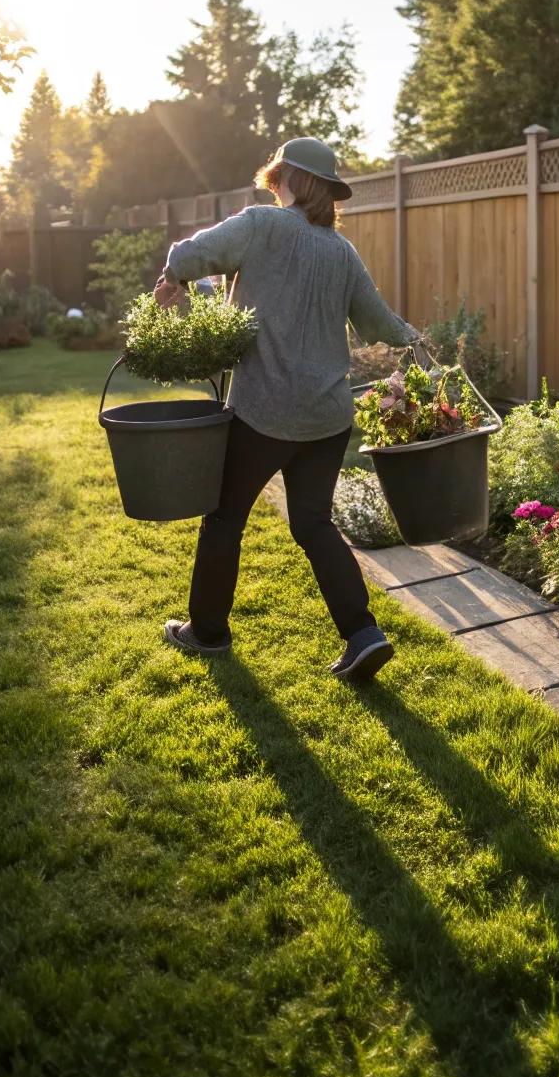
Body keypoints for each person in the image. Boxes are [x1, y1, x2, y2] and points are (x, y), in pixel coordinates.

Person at [155, 137, 420, 680]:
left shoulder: (260, 225)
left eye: (278, 179)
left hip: (263, 414)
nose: (273, 187)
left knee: (224, 517)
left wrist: (174, 278)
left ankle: (206, 632)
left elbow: (185, 256)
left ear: (296, 182)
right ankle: (363, 633)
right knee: (315, 523)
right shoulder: (342, 252)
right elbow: (377, 323)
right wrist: (412, 336)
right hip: (327, 419)